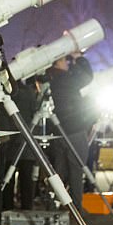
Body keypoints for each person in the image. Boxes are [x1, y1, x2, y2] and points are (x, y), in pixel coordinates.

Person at [45, 52, 94, 208]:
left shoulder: (51, 78)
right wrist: (78, 57)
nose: (67, 63)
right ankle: (75, 209)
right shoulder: (63, 78)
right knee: (75, 171)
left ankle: (52, 206)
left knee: (59, 172)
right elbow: (87, 77)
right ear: (57, 63)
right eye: (64, 61)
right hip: (73, 130)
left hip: (58, 131)